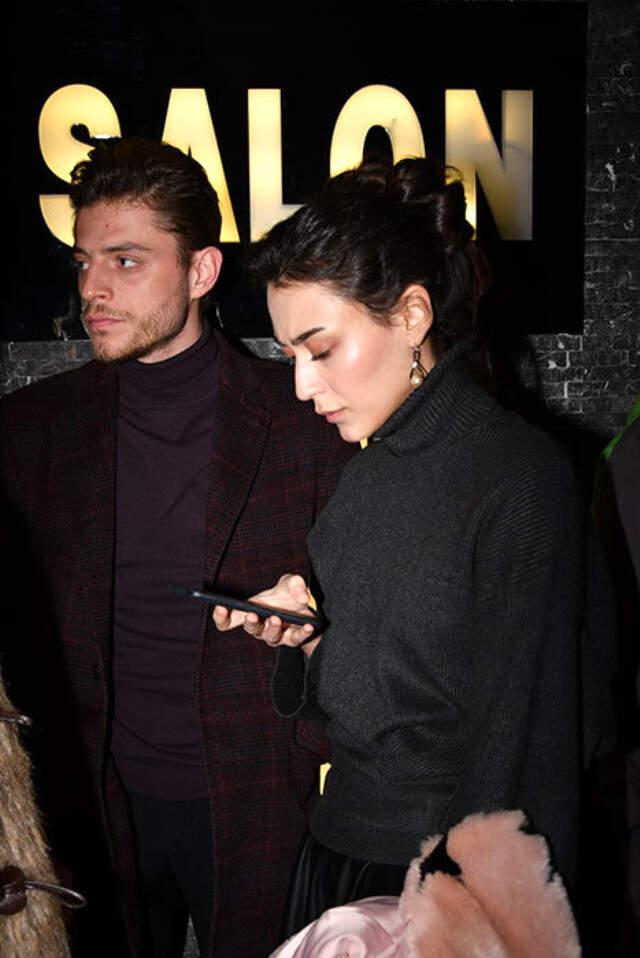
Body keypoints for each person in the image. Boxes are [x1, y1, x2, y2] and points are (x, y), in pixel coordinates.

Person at [0, 138, 351, 958]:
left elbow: (365, 620)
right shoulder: (29, 432)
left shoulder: (305, 420)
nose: (92, 288)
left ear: (201, 271)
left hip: (259, 797)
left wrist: (309, 647)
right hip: (91, 805)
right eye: (84, 262)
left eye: (125, 261)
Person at [214, 156, 585, 932]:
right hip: (336, 858)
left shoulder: (520, 480)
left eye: (320, 349)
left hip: (445, 887)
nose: (302, 386)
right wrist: (310, 637)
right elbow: (392, 694)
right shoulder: (364, 473)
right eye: (290, 355)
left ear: (412, 314)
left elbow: (527, 756)